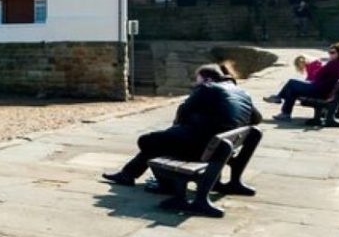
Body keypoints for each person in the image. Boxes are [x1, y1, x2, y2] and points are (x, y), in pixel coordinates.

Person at [104, 64, 259, 186]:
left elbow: (183, 113)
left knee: (148, 141)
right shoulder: (242, 93)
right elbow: (256, 119)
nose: (195, 84)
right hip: (223, 148)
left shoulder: (207, 88)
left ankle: (163, 183)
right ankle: (128, 175)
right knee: (161, 141)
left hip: (204, 149)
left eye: (197, 80)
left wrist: (188, 121)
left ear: (207, 79)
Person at [267, 43, 339, 118]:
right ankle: (282, 107)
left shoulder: (334, 64)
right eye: (329, 52)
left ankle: (281, 104)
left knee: (291, 83)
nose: (330, 55)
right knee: (293, 88)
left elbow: (319, 75)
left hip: (319, 90)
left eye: (332, 53)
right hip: (325, 88)